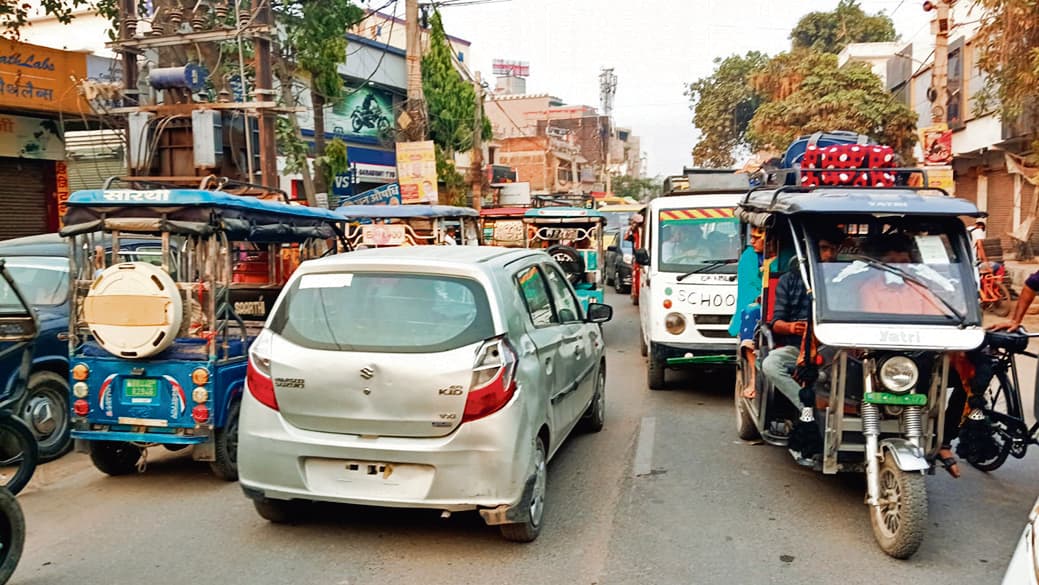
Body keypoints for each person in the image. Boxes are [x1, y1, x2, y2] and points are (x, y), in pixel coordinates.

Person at [761, 231, 840, 419]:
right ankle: (807, 407)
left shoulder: (844, 280)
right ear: (809, 252)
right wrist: (791, 327)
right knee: (771, 364)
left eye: (832, 249)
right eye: (823, 249)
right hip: (797, 348)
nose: (828, 255)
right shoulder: (788, 280)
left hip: (836, 350)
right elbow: (776, 323)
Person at [729, 227, 765, 398]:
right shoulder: (750, 257)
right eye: (751, 237)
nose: (752, 241)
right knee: (751, 312)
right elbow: (749, 289)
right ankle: (753, 377)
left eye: (757, 238)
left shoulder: (786, 254)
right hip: (759, 307)